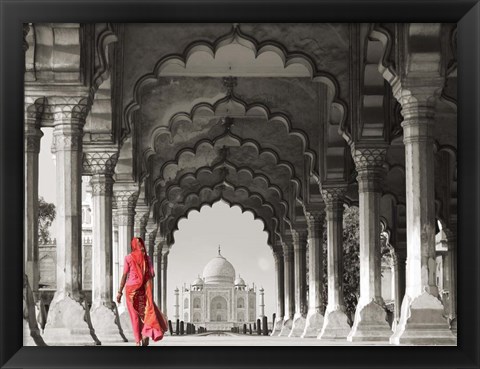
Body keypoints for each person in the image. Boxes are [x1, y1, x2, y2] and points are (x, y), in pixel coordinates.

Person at [117, 237, 167, 346]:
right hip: (143, 290)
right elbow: (152, 275)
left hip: (131, 291)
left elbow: (125, 275)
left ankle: (137, 341)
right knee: (145, 314)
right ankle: (145, 333)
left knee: (134, 316)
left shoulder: (128, 258)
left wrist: (119, 292)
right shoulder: (147, 259)